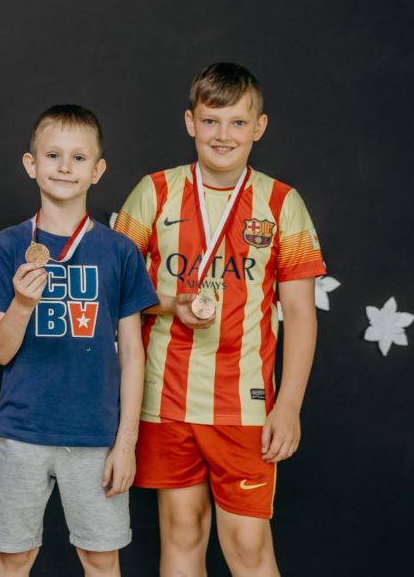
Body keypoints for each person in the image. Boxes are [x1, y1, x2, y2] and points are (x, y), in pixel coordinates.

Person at [113, 62, 326, 576]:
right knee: (182, 533)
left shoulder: (282, 202)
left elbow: (300, 313)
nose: (222, 135)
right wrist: (171, 304)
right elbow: (115, 290)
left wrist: (289, 404)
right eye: (210, 121)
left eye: (237, 122)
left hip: (245, 406)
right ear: (191, 122)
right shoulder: (154, 191)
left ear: (259, 127)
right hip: (165, 397)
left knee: (248, 546)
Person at [0, 104, 159, 577]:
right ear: (31, 164)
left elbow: (133, 353)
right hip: (22, 431)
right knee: (14, 556)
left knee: (101, 557)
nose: (65, 167)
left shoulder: (119, 251)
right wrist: (22, 304)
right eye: (53, 155)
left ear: (98, 170)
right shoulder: (8, 246)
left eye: (79, 157)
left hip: (96, 435)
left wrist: (126, 443)